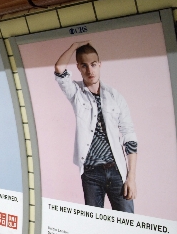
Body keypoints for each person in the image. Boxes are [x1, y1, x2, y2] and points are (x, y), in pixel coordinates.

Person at [54, 42, 138, 213]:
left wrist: (131, 177)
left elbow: (129, 135)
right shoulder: (76, 92)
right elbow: (59, 68)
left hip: (116, 170)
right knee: (94, 226)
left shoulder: (115, 96)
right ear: (78, 67)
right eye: (84, 65)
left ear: (99, 65)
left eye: (93, 64)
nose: (89, 70)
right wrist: (74, 46)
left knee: (129, 224)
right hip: (91, 173)